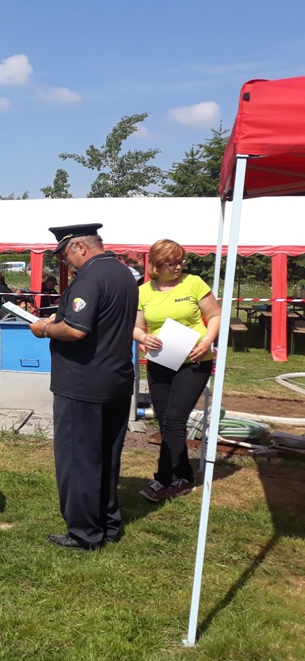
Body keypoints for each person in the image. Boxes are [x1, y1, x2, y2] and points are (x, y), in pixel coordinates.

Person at [27, 223, 137, 551]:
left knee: (79, 460)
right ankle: (108, 523)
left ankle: (84, 532)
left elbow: (76, 329)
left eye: (65, 255)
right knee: (107, 456)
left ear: (80, 247)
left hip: (83, 381)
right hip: (116, 377)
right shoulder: (123, 273)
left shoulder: (89, 278)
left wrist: (45, 328)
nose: (65, 262)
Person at [133, 239, 220, 503]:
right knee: (166, 421)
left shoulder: (194, 283)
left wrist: (207, 341)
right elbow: (135, 326)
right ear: (156, 265)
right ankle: (184, 476)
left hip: (194, 361)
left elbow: (215, 315)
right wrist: (143, 337)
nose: (178, 267)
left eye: (181, 261)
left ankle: (162, 480)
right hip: (161, 361)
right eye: (171, 263)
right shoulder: (143, 291)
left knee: (174, 420)